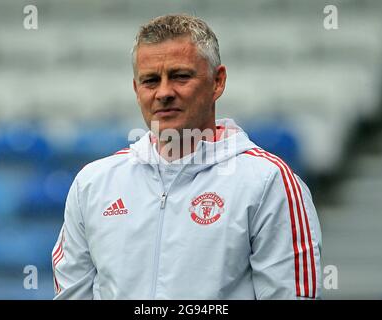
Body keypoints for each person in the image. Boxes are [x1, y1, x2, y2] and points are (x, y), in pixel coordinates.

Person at [52, 14, 322, 300]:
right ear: (136, 90)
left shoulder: (268, 182)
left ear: (217, 82)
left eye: (180, 76)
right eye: (150, 80)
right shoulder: (93, 184)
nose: (164, 92)